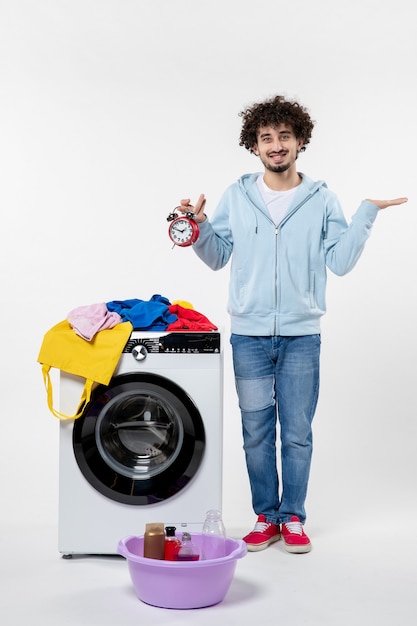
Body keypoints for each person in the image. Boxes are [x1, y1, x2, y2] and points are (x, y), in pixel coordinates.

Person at [176, 95, 407, 554]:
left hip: (302, 335)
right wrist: (198, 226)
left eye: (284, 136)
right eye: (266, 138)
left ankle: (294, 517)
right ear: (255, 146)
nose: (276, 145)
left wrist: (366, 213)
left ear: (300, 141)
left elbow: (339, 263)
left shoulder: (321, 199)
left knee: (296, 431)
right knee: (256, 429)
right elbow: (218, 256)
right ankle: (266, 516)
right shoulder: (237, 196)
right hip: (249, 335)